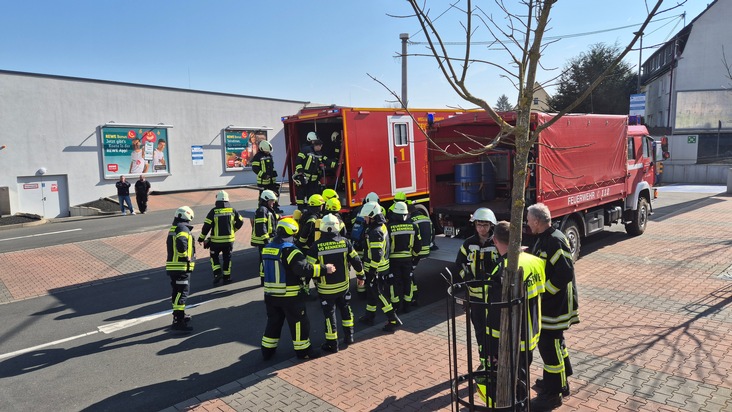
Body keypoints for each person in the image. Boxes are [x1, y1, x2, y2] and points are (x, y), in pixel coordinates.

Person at [476, 220, 546, 407]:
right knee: (522, 377)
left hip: (510, 340)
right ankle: (521, 404)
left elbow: (495, 312)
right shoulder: (536, 262)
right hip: (531, 333)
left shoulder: (504, 268)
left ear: (496, 241)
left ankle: (515, 406)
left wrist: (490, 346)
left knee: (509, 382)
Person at [527, 203, 579, 411]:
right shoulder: (545, 238)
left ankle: (553, 393)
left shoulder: (555, 241)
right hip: (550, 304)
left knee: (549, 346)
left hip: (555, 306)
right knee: (555, 344)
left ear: (538, 222)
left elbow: (564, 274)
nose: (528, 223)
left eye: (529, 220)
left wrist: (544, 292)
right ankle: (560, 380)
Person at [261, 218, 335, 361]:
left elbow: (263, 271)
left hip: (270, 295)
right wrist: (325, 269)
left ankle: (267, 351)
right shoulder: (290, 250)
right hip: (289, 296)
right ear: (291, 232)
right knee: (299, 323)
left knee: (273, 322)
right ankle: (304, 352)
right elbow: (303, 269)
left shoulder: (267, 247)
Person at [307, 214, 364, 353]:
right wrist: (361, 275)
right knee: (346, 310)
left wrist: (305, 287)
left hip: (326, 289)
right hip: (343, 286)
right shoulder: (345, 242)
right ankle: (349, 337)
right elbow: (356, 260)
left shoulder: (316, 246)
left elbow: (308, 267)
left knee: (329, 315)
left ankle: (332, 344)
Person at [455, 207, 499, 371]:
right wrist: (465, 277)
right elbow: (458, 263)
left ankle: (495, 360)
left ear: (491, 225)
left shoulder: (496, 242)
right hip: (475, 297)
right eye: (479, 225)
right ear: (475, 225)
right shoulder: (468, 243)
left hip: (493, 297)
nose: (482, 228)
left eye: (485, 225)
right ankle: (485, 360)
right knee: (480, 331)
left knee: (493, 331)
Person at [357, 201, 402, 332]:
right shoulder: (380, 226)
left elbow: (376, 255)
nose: (364, 219)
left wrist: (371, 271)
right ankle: (369, 316)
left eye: (366, 217)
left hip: (376, 268)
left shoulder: (375, 232)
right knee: (372, 293)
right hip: (380, 267)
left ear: (371, 216)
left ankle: (393, 319)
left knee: (379, 293)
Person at [198, 190, 245, 285]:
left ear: (217, 200)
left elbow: (207, 226)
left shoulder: (213, 211)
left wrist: (201, 238)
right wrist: (233, 230)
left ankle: (217, 273)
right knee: (227, 258)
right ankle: (227, 277)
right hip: (229, 241)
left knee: (214, 257)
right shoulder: (232, 210)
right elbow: (241, 221)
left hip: (216, 241)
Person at [386, 201, 421, 313]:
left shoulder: (389, 228)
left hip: (393, 261)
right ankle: (407, 305)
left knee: (394, 282)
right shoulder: (414, 227)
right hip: (407, 260)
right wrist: (413, 258)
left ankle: (395, 306)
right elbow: (418, 247)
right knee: (408, 281)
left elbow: (385, 247)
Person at [166, 206, 196, 332]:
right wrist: (185, 257)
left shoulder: (175, 227)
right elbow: (181, 242)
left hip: (174, 266)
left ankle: (180, 315)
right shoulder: (182, 227)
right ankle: (178, 321)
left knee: (176, 292)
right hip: (181, 267)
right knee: (182, 293)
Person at [294, 132, 336, 210]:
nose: (321, 148)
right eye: (320, 146)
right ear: (316, 145)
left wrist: (336, 164)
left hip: (313, 179)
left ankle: (310, 207)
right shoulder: (306, 150)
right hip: (303, 176)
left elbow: (325, 160)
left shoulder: (319, 153)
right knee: (301, 193)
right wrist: (300, 172)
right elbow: (298, 161)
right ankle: (300, 208)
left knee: (311, 193)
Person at [251, 190, 280, 286]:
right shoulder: (262, 210)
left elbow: (272, 217)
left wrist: (279, 216)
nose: (274, 203)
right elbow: (261, 227)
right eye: (272, 200)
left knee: (267, 259)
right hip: (263, 241)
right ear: (266, 200)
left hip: (268, 240)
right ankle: (263, 279)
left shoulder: (266, 209)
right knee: (263, 260)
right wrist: (266, 240)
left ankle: (267, 278)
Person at [409, 202, 433, 306]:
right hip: (427, 249)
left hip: (418, 252)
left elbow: (413, 239)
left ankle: (413, 296)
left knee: (409, 271)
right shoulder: (426, 218)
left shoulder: (411, 221)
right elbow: (433, 233)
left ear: (409, 212)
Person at [251, 140, 282, 212]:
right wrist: (264, 175)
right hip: (263, 181)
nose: (268, 152)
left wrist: (274, 173)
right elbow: (255, 168)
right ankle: (262, 210)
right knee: (263, 196)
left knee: (274, 193)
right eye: (267, 151)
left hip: (271, 181)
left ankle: (275, 208)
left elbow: (271, 166)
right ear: (262, 149)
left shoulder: (269, 155)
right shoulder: (257, 157)